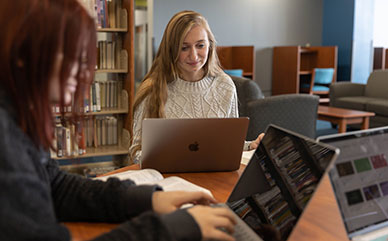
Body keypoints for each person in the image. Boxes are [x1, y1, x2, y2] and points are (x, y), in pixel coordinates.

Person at [0, 1, 237, 240]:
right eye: (73, 56)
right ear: (24, 52)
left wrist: (150, 199)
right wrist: (173, 227)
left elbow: (57, 187)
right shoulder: (5, 138)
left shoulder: (16, 116)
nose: (85, 72)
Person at [129, 10, 264, 163]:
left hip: (214, 178)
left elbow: (229, 145)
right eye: (184, 48)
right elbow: (136, 152)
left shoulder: (225, 86)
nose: (194, 56)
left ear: (210, 45)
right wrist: (170, 160)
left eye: (200, 45)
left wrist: (250, 146)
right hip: (171, 179)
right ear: (171, 50)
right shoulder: (152, 89)